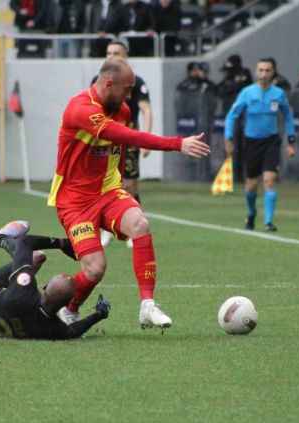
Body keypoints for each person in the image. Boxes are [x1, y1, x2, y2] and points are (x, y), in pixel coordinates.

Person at [48, 58, 210, 328]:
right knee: (95, 268)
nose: (129, 96)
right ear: (108, 83)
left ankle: (147, 305)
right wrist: (177, 144)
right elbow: (128, 137)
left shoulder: (121, 108)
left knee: (140, 223)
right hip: (74, 202)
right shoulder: (80, 109)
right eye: (126, 89)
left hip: (108, 193)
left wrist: (119, 184)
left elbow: (119, 148)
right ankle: (69, 309)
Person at [92, 42, 154, 248]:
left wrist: (146, 138)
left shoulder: (136, 82)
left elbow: (146, 109)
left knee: (129, 184)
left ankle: (136, 226)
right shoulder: (98, 80)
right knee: (103, 184)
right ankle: (106, 229)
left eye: (116, 53)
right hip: (104, 139)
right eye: (108, 52)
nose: (111, 56)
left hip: (128, 138)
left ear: (126, 55)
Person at [224, 57, 296, 232]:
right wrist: (228, 138)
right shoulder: (247, 93)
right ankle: (251, 213)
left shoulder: (278, 94)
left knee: (269, 181)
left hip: (271, 141)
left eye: (267, 70)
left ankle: (268, 222)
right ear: (256, 72)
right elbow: (232, 115)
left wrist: (291, 141)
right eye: (261, 70)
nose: (264, 74)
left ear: (273, 73)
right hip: (251, 143)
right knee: (251, 185)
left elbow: (288, 116)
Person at [216, 54, 253, 183]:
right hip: (230, 117)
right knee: (230, 145)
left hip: (245, 116)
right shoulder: (227, 79)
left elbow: (245, 89)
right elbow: (220, 90)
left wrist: (233, 86)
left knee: (244, 146)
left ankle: (243, 175)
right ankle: (231, 176)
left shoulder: (245, 75)